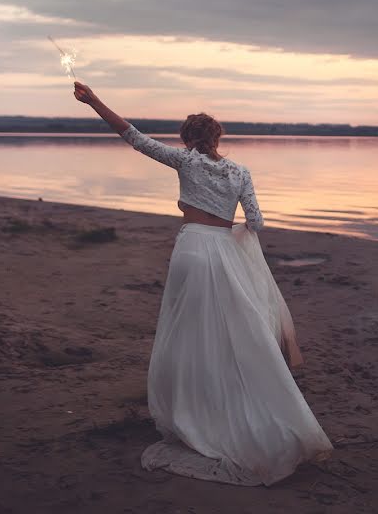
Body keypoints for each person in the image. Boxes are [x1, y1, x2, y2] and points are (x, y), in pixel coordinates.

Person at [73, 82, 331, 486]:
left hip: (192, 250)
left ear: (187, 139)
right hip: (224, 251)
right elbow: (258, 223)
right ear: (218, 138)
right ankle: (234, 410)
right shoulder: (240, 171)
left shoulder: (186, 162)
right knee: (231, 332)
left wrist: (94, 101)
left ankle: (191, 413)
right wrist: (237, 236)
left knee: (188, 333)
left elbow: (132, 136)